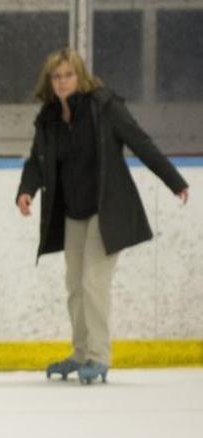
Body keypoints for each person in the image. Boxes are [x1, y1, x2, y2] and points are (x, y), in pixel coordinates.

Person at [17, 48, 189, 385]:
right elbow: (37, 160)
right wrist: (27, 190)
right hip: (72, 210)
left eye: (68, 75)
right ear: (49, 82)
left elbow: (140, 142)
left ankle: (99, 356)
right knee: (74, 285)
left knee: (94, 283)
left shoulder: (104, 107)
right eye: (56, 76)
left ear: (80, 76)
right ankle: (80, 353)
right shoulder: (49, 117)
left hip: (106, 209)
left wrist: (174, 180)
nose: (62, 81)